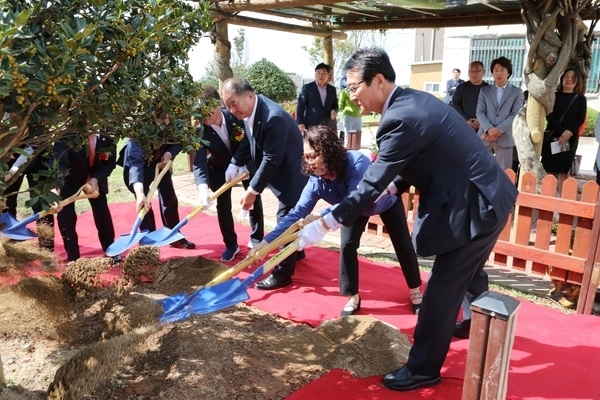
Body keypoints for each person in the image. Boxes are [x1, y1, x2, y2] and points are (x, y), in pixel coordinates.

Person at [297, 48, 518, 391]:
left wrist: (326, 223)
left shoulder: (399, 118)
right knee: (470, 269)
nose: (350, 94)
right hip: (486, 195)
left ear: (379, 81)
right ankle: (474, 318)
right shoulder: (412, 102)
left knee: (443, 288)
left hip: (477, 204)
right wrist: (394, 187)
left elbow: (371, 180)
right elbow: (420, 161)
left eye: (354, 86)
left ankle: (423, 368)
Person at [249, 125, 423, 316]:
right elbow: (296, 213)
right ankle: (353, 297)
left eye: (314, 155)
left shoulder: (356, 162)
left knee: (403, 245)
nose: (309, 162)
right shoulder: (315, 180)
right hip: (349, 211)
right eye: (306, 156)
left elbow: (354, 200)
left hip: (383, 202)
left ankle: (416, 291)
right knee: (347, 246)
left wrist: (323, 215)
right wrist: (265, 243)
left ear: (329, 150)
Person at [221, 77, 308, 290]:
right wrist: (238, 163)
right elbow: (250, 142)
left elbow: (271, 158)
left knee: (285, 221)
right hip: (280, 173)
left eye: (234, 103)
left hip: (291, 176)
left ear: (249, 96)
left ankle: (282, 274)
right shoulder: (251, 111)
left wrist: (252, 190)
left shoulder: (273, 117)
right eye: (227, 106)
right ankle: (297, 250)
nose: (231, 110)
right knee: (289, 221)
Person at [192, 86, 264, 262]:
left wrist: (237, 163)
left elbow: (247, 139)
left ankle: (256, 239)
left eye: (207, 110)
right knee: (222, 206)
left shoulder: (235, 117)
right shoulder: (200, 131)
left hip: (245, 163)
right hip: (218, 169)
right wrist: (202, 188)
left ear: (217, 105)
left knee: (254, 196)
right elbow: (199, 162)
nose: (204, 116)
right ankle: (231, 245)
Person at [119, 113, 195, 250]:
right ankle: (149, 243)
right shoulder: (138, 129)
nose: (167, 120)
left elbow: (178, 142)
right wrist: (140, 192)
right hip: (138, 168)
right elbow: (135, 165)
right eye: (163, 117)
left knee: (169, 197)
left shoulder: (174, 123)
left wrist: (169, 154)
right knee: (144, 204)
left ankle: (173, 235)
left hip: (159, 162)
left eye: (168, 117)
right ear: (154, 116)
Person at [52, 132, 120, 262]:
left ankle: (111, 249)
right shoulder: (66, 135)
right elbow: (61, 164)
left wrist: (95, 179)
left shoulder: (108, 134)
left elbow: (109, 164)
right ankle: (73, 258)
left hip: (95, 179)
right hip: (70, 179)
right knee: (66, 216)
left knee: (102, 212)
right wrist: (57, 189)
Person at [540, 67, 587, 191]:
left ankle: (562, 198)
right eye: (566, 76)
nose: (569, 80)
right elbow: (549, 115)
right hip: (553, 136)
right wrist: (562, 132)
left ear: (577, 81)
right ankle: (547, 197)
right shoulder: (554, 95)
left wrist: (568, 133)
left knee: (564, 171)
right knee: (549, 169)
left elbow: (580, 118)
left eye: (572, 77)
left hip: (570, 139)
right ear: (562, 78)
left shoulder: (580, 99)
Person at [476, 56, 524, 171]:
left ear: (508, 73)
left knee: (503, 173)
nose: (498, 73)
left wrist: (498, 130)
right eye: (496, 70)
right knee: (481, 170)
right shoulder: (484, 91)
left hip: (505, 137)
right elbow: (480, 112)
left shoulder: (517, 92)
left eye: (502, 70)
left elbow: (515, 114)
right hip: (485, 137)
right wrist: (489, 129)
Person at [296, 62, 338, 133]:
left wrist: (334, 112)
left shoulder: (332, 89)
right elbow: (300, 106)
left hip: (327, 126)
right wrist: (300, 123)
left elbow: (335, 105)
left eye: (323, 73)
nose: (320, 76)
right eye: (318, 73)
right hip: (311, 126)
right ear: (315, 74)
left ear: (328, 75)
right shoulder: (307, 88)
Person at [451, 61, 488, 132]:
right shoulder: (461, 88)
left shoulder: (488, 89)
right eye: (471, 71)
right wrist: (466, 120)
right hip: (464, 124)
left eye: (477, 71)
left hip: (484, 125)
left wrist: (481, 119)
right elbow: (455, 105)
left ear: (483, 72)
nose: (474, 74)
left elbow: (492, 108)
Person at [338, 76, 363, 150]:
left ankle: (356, 152)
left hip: (358, 115)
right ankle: (348, 153)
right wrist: (345, 111)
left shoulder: (360, 90)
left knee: (358, 135)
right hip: (348, 115)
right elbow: (341, 103)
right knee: (348, 135)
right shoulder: (345, 91)